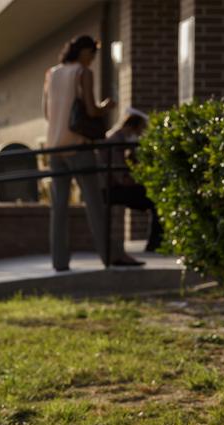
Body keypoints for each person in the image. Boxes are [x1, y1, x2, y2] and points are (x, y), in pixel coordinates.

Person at [43, 35, 142, 271]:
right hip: (78, 144)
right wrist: (106, 107)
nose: (93, 59)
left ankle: (59, 261)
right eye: (93, 54)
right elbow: (90, 109)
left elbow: (47, 113)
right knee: (95, 203)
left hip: (54, 146)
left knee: (59, 207)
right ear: (85, 51)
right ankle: (111, 255)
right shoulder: (82, 73)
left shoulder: (52, 73)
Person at [103, 109, 163, 252]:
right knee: (156, 200)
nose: (138, 135)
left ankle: (155, 243)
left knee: (153, 198)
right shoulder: (116, 143)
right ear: (131, 127)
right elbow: (122, 179)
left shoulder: (120, 142)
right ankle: (155, 244)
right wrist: (143, 181)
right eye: (139, 131)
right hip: (111, 190)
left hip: (112, 188)